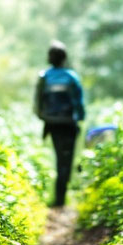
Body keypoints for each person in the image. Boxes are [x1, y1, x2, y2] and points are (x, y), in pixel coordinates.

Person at [34, 41, 85, 207]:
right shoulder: (71, 77)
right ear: (64, 58)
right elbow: (78, 102)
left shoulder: (44, 76)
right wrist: (81, 117)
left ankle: (59, 198)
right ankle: (62, 197)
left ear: (50, 58)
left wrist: (44, 117)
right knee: (67, 158)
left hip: (52, 124)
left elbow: (38, 102)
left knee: (58, 157)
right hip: (69, 124)